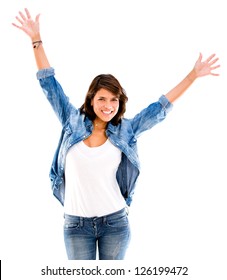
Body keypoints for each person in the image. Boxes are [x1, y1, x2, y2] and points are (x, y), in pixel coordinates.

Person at [12, 8, 220, 260]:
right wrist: (36, 39)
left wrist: (193, 75)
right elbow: (49, 83)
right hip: (76, 225)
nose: (108, 105)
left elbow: (160, 108)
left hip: (115, 223)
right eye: (102, 98)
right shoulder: (72, 120)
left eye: (114, 99)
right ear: (91, 99)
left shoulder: (127, 129)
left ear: (120, 102)